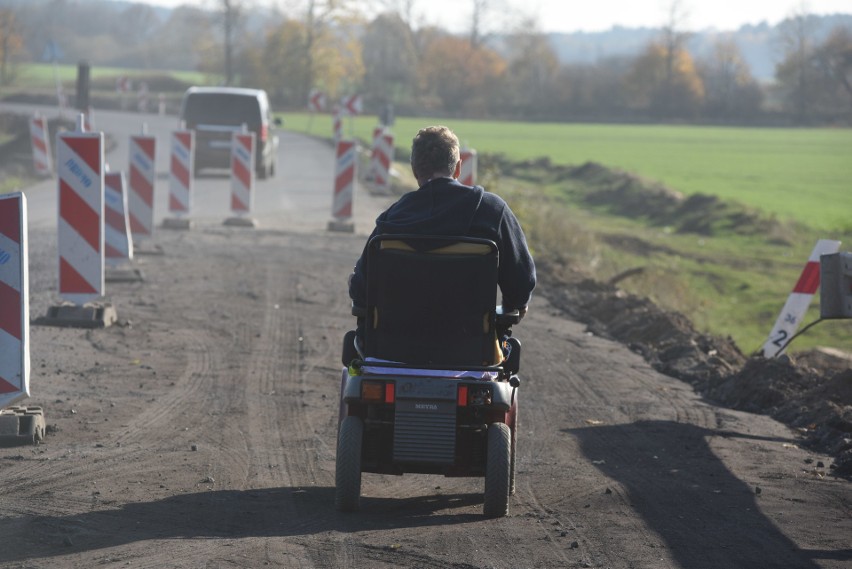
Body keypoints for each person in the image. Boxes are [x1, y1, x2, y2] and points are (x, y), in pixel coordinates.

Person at [349, 125, 536, 322]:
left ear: (414, 170)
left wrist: (354, 283)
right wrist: (514, 304)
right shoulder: (492, 211)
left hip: (394, 347)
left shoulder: (392, 218)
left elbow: (362, 291)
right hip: (472, 347)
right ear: (457, 168)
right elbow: (521, 285)